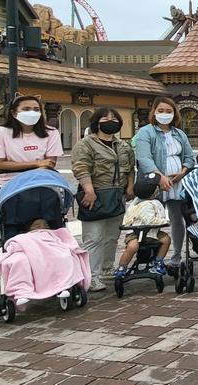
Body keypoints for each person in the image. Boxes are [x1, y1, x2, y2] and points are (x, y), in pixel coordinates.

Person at [71, 107, 135, 292]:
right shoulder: (86, 144)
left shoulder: (123, 145)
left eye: (114, 118)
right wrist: (89, 190)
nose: (110, 121)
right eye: (106, 118)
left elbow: (130, 167)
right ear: (96, 122)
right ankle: (92, 275)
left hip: (117, 195)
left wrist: (130, 186)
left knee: (112, 236)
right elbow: (81, 167)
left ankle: (107, 268)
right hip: (96, 194)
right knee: (94, 237)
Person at [133, 97, 195, 270]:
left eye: (169, 111)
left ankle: (176, 257)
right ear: (154, 112)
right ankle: (150, 257)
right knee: (149, 218)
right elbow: (144, 158)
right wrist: (159, 177)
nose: (165, 114)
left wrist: (182, 172)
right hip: (154, 184)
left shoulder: (179, 134)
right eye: (161, 110)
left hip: (177, 183)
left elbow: (190, 157)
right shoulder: (146, 132)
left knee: (178, 219)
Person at [0, 218, 90, 307]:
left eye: (46, 225)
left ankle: (63, 286)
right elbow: (14, 246)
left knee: (64, 256)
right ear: (29, 229)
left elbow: (65, 241)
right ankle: (22, 291)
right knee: (19, 261)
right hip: (28, 250)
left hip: (52, 250)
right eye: (37, 226)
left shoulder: (53, 234)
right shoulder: (24, 237)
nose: (42, 227)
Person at [0, 94, 62, 186]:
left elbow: (49, 163)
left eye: (36, 109)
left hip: (41, 180)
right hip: (9, 182)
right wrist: (37, 163)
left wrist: (37, 166)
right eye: (26, 109)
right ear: (14, 113)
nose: (32, 112)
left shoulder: (51, 132)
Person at [114, 172, 171, 279]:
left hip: (151, 233)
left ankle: (158, 261)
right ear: (152, 192)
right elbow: (149, 220)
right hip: (135, 233)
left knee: (166, 240)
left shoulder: (152, 202)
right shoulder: (145, 205)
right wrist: (164, 221)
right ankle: (122, 267)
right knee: (132, 246)